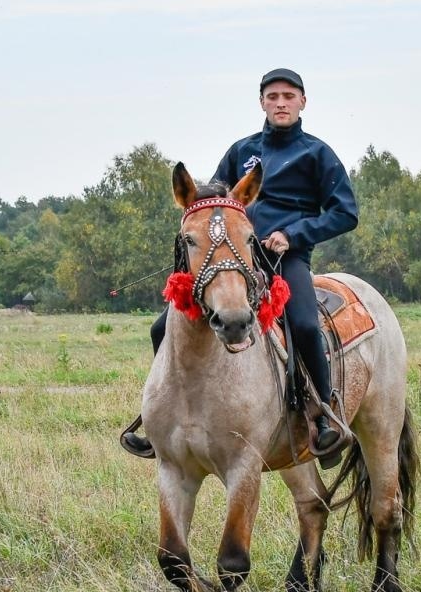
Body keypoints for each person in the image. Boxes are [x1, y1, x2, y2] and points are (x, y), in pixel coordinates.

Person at [122, 68, 358, 459]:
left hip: (285, 259)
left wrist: (293, 234)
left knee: (303, 324)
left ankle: (324, 416)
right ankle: (161, 416)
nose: (280, 103)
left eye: (288, 96)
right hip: (232, 260)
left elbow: (345, 213)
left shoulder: (317, 154)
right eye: (272, 96)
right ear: (262, 102)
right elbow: (212, 200)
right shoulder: (241, 151)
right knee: (161, 326)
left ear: (302, 102)